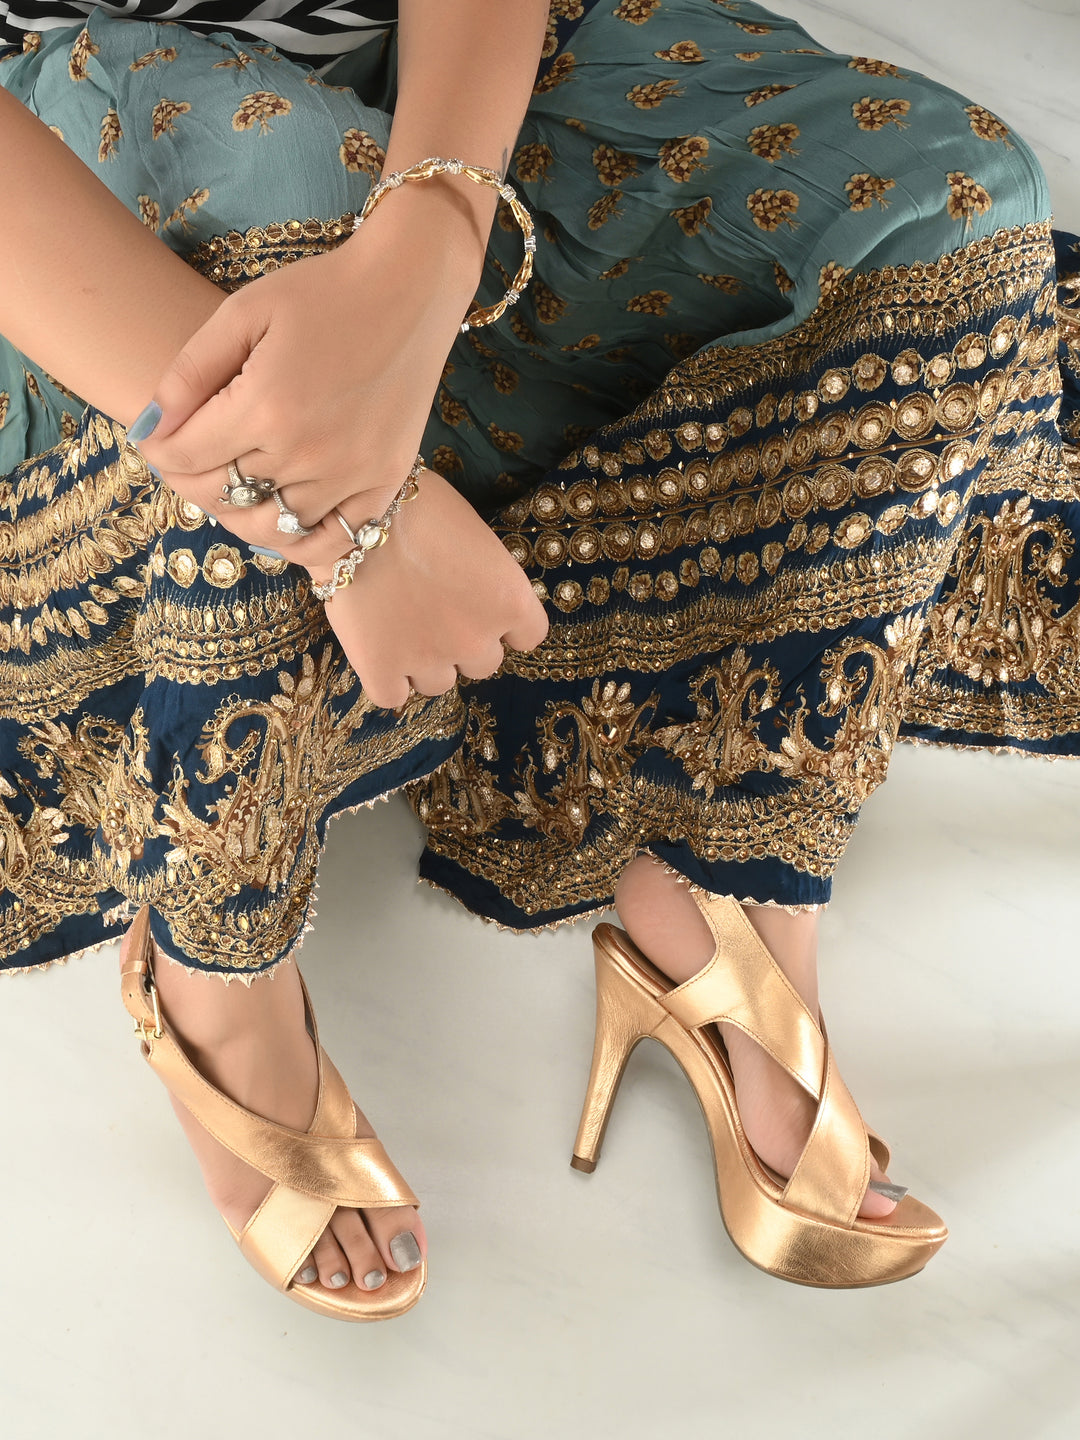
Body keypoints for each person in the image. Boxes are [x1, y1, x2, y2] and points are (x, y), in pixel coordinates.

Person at [1, 0, 1077, 1316]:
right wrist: (357, 520)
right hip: (77, 187)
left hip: (458, 71)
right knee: (283, 246)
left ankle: (721, 844)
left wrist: (434, 237)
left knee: (954, 194)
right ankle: (216, 969)